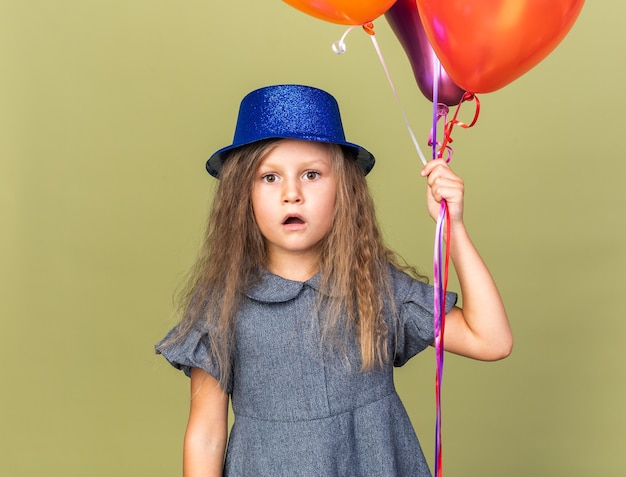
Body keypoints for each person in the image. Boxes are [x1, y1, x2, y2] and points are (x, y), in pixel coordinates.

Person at [155, 84, 513, 477]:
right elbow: (206, 434)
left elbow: (491, 340)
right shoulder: (221, 305)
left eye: (311, 174)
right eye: (269, 178)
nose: (292, 194)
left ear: (344, 189)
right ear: (243, 195)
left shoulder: (373, 287)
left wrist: (453, 227)